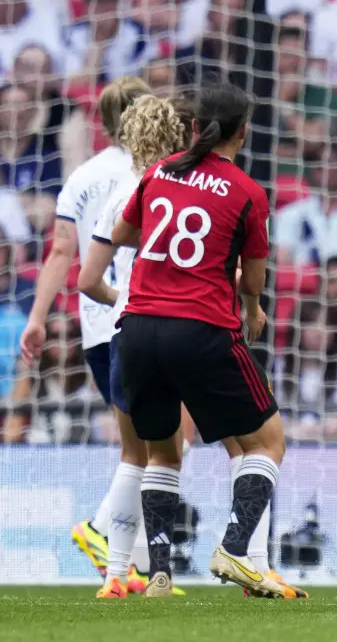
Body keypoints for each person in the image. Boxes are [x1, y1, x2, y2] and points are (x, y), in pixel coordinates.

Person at [108, 81, 284, 598]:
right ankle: (234, 548)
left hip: (137, 329)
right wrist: (252, 310)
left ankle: (159, 573)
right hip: (201, 328)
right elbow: (253, 280)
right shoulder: (247, 191)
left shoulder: (161, 172)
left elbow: (123, 234)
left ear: (192, 127)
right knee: (268, 441)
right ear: (244, 133)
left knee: (161, 453)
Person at [17, 77, 147, 579]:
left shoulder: (81, 177)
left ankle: (131, 565)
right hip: (137, 318)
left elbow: (62, 253)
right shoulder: (152, 173)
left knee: (140, 444)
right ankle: (100, 531)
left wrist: (37, 318)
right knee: (158, 444)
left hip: (95, 327)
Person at [77, 93, 189, 598]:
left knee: (133, 455)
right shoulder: (183, 188)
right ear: (179, 135)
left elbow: (86, 278)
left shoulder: (124, 188)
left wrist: (123, 299)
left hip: (130, 332)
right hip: (181, 328)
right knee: (166, 452)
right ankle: (137, 561)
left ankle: (121, 574)